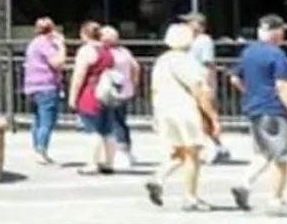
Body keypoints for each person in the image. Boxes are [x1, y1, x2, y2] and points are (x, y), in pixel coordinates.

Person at [231, 14, 287, 214]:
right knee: (282, 156)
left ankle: (244, 184)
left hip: (254, 108)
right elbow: (282, 85)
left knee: (265, 152)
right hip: (274, 109)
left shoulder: (248, 52)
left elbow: (234, 78)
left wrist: (250, 92)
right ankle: (276, 200)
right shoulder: (276, 54)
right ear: (276, 33)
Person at [146, 23, 218, 210]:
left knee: (179, 151)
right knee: (193, 153)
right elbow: (197, 89)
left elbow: (153, 89)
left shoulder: (161, 61)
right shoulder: (185, 61)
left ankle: (158, 177)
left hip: (164, 109)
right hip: (185, 110)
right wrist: (211, 115)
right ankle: (190, 197)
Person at [67, 23, 117, 175]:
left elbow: (79, 75)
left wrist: (73, 97)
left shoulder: (86, 51)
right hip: (107, 92)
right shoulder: (107, 50)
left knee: (92, 129)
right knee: (107, 130)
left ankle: (92, 163)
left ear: (84, 34)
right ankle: (109, 162)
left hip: (91, 91)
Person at [182, 14, 231, 163]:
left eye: (190, 22)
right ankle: (215, 147)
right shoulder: (188, 41)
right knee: (197, 116)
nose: (187, 25)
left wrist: (209, 85)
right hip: (191, 81)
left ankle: (215, 147)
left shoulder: (204, 41)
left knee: (205, 116)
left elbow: (208, 64)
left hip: (201, 81)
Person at [22, 18, 68, 165]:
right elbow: (57, 62)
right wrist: (62, 46)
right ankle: (41, 149)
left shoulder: (33, 43)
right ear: (52, 30)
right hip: (46, 86)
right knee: (47, 121)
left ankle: (38, 148)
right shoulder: (45, 44)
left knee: (37, 119)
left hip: (32, 87)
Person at [99, 25, 140, 170]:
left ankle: (119, 151)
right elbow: (136, 67)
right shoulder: (124, 51)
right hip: (125, 90)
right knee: (121, 121)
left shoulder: (106, 53)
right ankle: (126, 149)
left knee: (113, 121)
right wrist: (134, 84)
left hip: (111, 91)